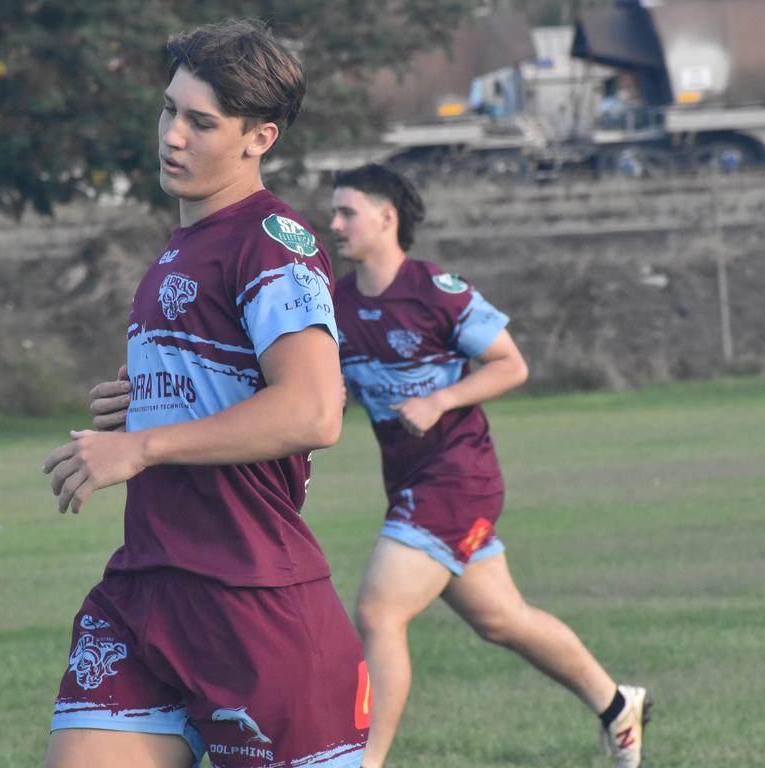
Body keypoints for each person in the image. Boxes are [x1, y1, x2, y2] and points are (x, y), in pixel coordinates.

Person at [41, 21, 369, 768]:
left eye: (201, 122)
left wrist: (143, 443)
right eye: (169, 110)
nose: (174, 135)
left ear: (261, 136)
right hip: (144, 594)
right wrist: (153, 403)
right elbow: (232, 390)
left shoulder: (271, 240)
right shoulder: (181, 245)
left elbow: (314, 410)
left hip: (252, 604)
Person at [328, 163, 650, 768]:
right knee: (503, 621)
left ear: (386, 218)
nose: (335, 223)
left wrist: (440, 398)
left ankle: (362, 764)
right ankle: (616, 705)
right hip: (408, 482)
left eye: (347, 212)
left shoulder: (437, 291)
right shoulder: (336, 303)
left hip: (458, 478)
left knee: (378, 609)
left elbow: (511, 364)